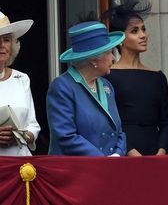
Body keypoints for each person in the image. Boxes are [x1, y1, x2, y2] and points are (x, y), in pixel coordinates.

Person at [103, 0, 168, 156]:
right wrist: (130, 150)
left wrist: (161, 151)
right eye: (134, 31)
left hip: (156, 153)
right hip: (123, 152)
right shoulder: (108, 75)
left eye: (143, 29)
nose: (143, 35)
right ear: (120, 39)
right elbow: (111, 121)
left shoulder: (157, 76)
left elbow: (166, 123)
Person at [46, 18, 127, 156]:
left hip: (108, 169)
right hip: (75, 171)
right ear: (94, 60)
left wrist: (117, 155)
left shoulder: (107, 86)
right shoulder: (62, 87)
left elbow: (118, 132)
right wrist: (102, 160)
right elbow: (66, 136)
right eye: (109, 53)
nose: (113, 58)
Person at [0, 11, 40, 155]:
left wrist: (22, 135)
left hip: (20, 164)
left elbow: (33, 126)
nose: (1, 45)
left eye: (6, 40)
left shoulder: (22, 79)